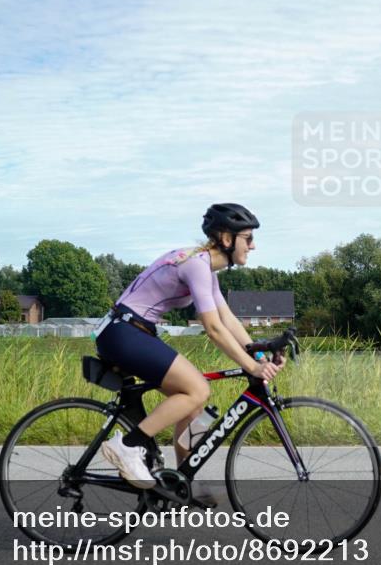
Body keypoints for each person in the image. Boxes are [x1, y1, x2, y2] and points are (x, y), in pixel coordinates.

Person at [95, 203, 284, 491]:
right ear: (226, 238)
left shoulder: (206, 269)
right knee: (198, 389)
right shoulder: (197, 266)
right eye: (248, 238)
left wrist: (258, 353)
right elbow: (213, 328)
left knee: (194, 407)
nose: (253, 245)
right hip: (123, 332)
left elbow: (227, 318)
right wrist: (252, 368)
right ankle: (127, 447)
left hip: (132, 332)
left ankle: (182, 483)